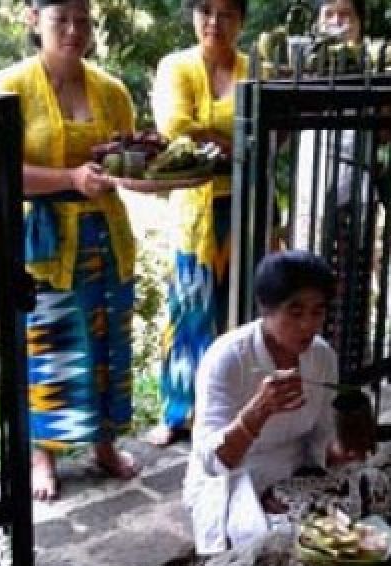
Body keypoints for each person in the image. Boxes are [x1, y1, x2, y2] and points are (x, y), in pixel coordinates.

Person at [0, 0, 141, 502]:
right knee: (51, 346)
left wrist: (148, 168)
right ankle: (43, 455)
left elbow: (129, 159)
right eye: (62, 20)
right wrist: (70, 179)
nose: (74, 30)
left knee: (108, 344)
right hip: (48, 240)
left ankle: (105, 445)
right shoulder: (10, 85)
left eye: (83, 20)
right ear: (34, 20)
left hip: (108, 235)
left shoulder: (112, 90)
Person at [182, 250, 371, 555]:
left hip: (295, 470)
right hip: (232, 479)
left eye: (318, 312)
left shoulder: (322, 356)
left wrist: (339, 451)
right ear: (266, 310)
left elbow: (321, 434)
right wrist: (257, 412)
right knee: (280, 541)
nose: (309, 325)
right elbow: (211, 462)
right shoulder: (228, 358)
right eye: (295, 312)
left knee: (367, 498)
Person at [148, 0, 248, 448]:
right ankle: (178, 412)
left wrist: (215, 141)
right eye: (204, 11)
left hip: (248, 206)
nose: (214, 22)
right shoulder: (177, 66)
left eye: (225, 13)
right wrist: (235, 144)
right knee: (191, 309)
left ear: (241, 20)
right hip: (198, 212)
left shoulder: (255, 68)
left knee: (241, 310)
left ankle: (234, 409)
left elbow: (275, 129)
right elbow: (174, 127)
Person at [291, 0, 373, 378]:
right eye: (330, 15)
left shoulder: (371, 68)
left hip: (355, 183)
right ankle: (306, 363)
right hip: (314, 179)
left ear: (359, 23)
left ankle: (349, 370)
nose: (338, 23)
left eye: (346, 16)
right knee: (309, 271)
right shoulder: (304, 63)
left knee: (350, 275)